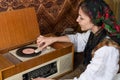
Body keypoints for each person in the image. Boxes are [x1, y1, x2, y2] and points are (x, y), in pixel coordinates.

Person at [33, 0, 120, 80]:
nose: (77, 20)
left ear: (94, 20)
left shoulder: (107, 49)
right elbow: (78, 39)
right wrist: (52, 39)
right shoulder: (96, 31)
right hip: (86, 69)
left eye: (81, 18)